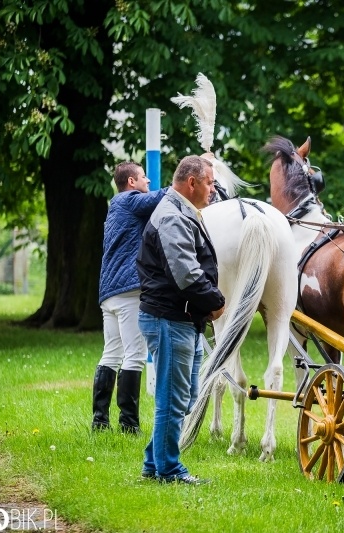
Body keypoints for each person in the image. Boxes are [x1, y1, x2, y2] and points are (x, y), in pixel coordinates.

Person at [137, 155, 225, 485]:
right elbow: (186, 275)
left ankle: (153, 460)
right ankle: (168, 470)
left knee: (186, 397)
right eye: (210, 183)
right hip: (170, 320)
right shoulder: (172, 217)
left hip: (184, 320)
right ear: (192, 183)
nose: (214, 190)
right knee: (172, 401)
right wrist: (216, 302)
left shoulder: (182, 211)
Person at [93, 162, 167, 433]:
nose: (148, 181)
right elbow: (162, 197)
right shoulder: (131, 199)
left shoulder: (115, 206)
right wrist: (189, 180)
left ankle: (100, 422)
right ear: (132, 182)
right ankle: (129, 425)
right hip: (128, 292)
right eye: (143, 177)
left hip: (109, 292)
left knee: (111, 353)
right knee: (134, 355)